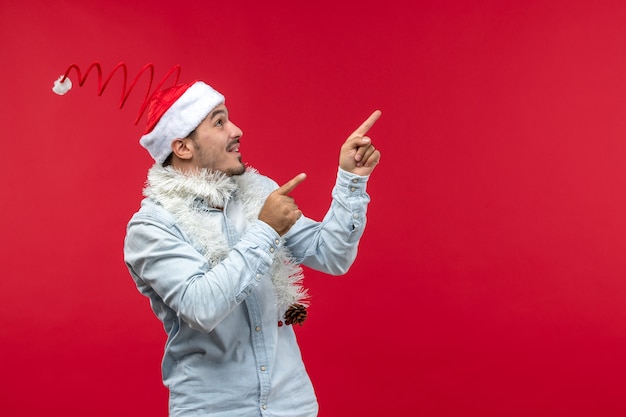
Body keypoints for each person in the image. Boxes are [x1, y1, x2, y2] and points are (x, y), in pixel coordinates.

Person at [123, 80, 381, 417]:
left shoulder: (259, 193)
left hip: (292, 405)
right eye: (219, 122)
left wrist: (351, 180)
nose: (236, 129)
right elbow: (201, 306)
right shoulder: (151, 227)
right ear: (183, 147)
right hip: (214, 410)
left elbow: (332, 256)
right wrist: (266, 229)